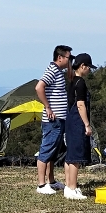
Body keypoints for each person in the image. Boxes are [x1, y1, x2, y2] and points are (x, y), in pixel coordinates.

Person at [35, 45, 71, 195]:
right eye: (69, 57)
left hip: (60, 119)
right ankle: (41, 184)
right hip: (53, 120)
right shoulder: (52, 70)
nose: (70, 60)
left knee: (54, 152)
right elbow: (39, 87)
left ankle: (51, 181)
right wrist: (48, 107)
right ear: (60, 57)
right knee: (46, 149)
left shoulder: (58, 72)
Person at [63, 53, 95, 201]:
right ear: (82, 66)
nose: (89, 70)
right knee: (75, 156)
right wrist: (87, 124)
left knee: (70, 156)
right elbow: (81, 104)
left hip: (69, 120)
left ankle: (68, 186)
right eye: (88, 67)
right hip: (77, 121)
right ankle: (72, 188)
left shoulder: (72, 81)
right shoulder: (80, 82)